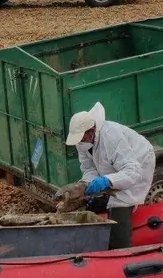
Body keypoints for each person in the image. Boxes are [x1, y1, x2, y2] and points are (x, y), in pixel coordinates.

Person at [65, 101, 156, 249]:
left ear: (91, 130)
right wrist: (85, 184)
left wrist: (106, 180)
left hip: (139, 161)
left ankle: (121, 248)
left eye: (82, 137)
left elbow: (132, 171)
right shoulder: (83, 142)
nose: (80, 141)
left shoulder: (111, 137)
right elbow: (89, 169)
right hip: (116, 164)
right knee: (96, 198)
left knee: (121, 201)